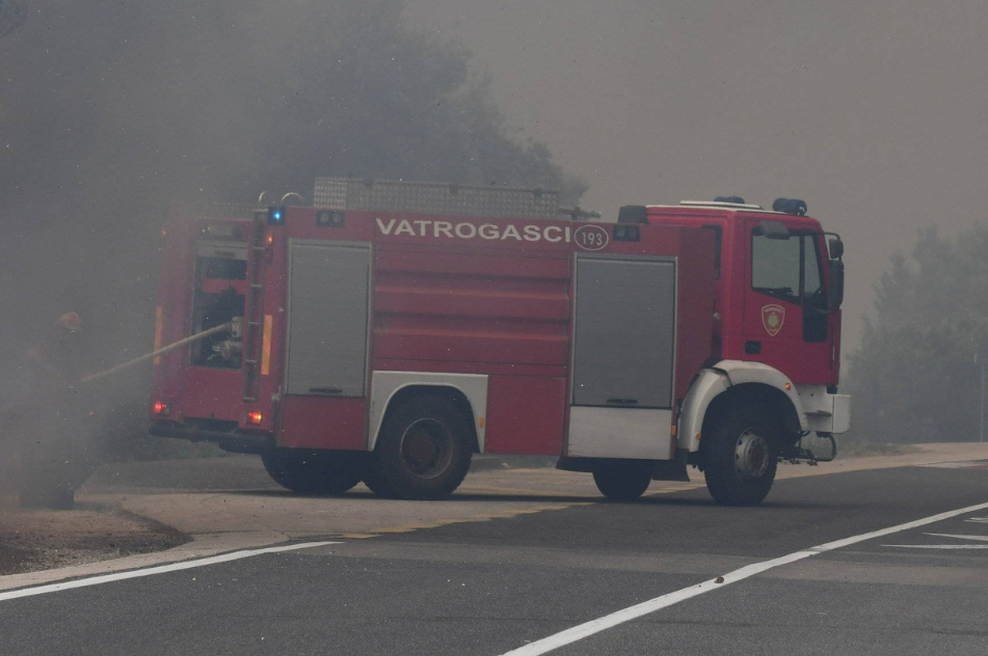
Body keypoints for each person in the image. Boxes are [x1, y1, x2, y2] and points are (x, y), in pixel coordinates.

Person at [9, 312, 90, 509]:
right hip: (41, 407)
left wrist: (76, 379)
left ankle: (59, 500)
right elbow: (33, 361)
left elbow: (73, 372)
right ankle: (32, 499)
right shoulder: (49, 344)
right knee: (37, 451)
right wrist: (56, 378)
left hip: (60, 407)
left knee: (61, 453)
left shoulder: (69, 347)